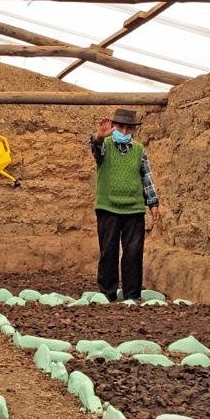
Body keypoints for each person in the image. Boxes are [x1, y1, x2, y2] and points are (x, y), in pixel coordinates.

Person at [89, 108, 160, 302]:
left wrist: (153, 203)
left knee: (133, 253)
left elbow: (146, 176)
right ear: (113, 127)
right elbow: (96, 150)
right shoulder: (106, 145)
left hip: (134, 209)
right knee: (108, 252)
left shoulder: (139, 150)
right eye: (120, 127)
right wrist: (99, 137)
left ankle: (132, 295)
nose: (125, 131)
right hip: (108, 208)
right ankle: (107, 294)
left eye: (129, 128)